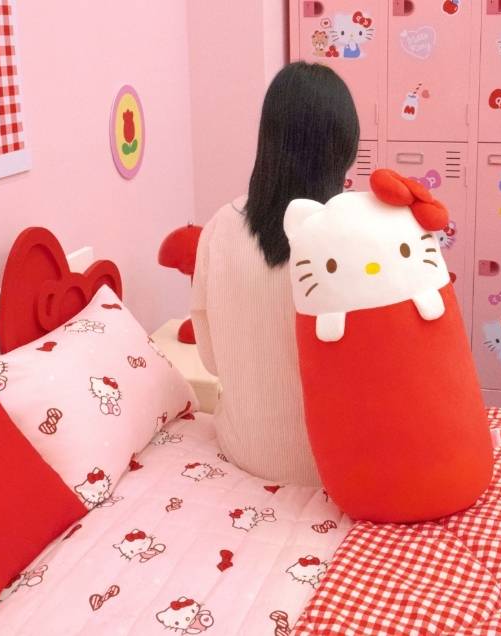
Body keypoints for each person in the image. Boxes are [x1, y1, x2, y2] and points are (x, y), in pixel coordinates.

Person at [191, 61, 359, 485]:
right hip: (334, 464)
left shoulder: (218, 227)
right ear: (343, 146)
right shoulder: (353, 232)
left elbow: (209, 359)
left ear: (267, 138)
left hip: (244, 450)